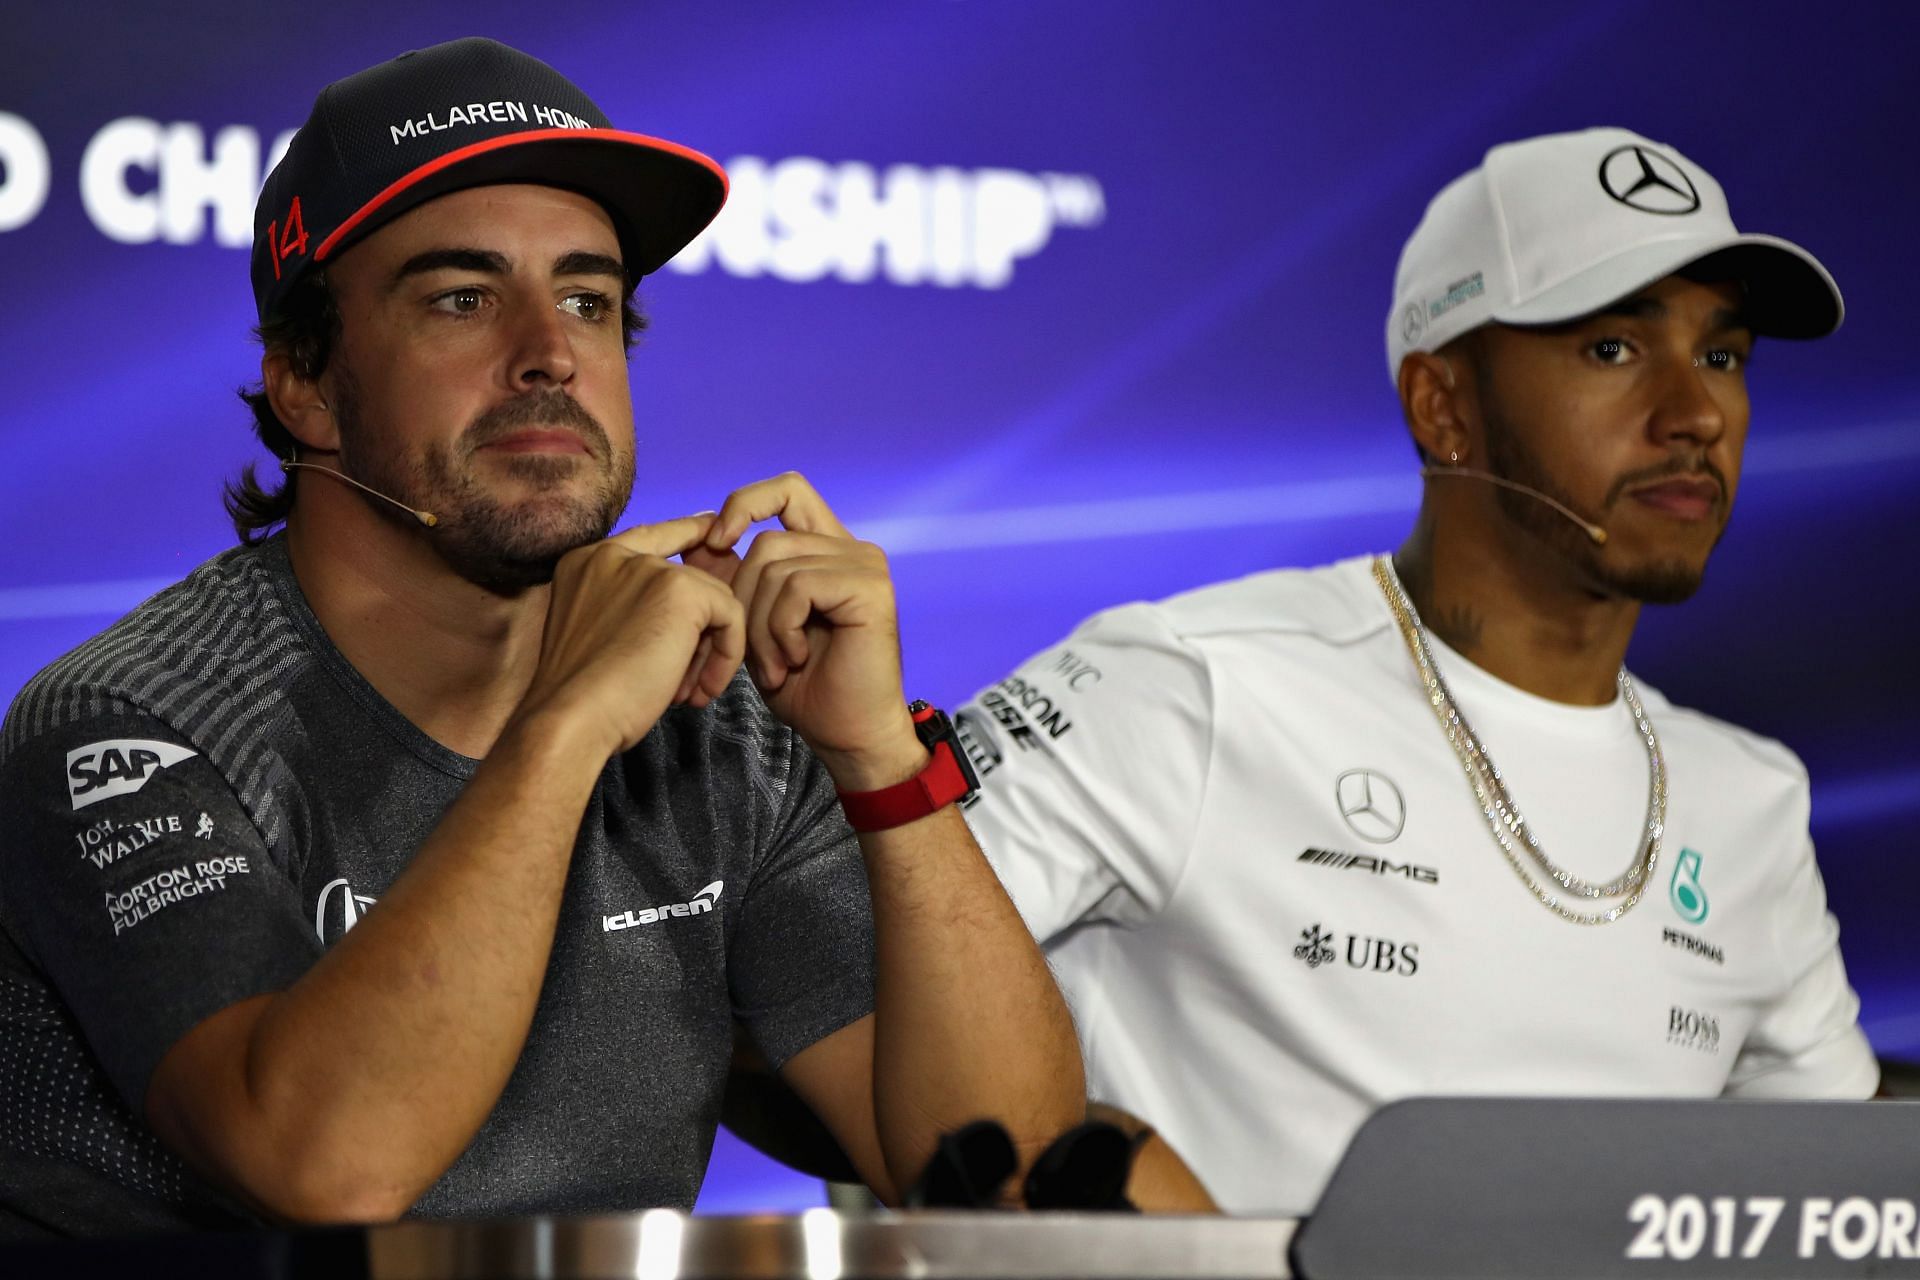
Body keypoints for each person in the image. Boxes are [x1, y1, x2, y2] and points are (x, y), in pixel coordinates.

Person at [0, 37, 1081, 1236]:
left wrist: (881, 761)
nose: (551, 353)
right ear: (303, 378)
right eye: (463, 297)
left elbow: (1014, 1182)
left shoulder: (724, 729)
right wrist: (568, 724)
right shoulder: (126, 722)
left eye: (589, 300)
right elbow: (326, 1167)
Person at [955, 127, 1878, 1216]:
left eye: (1722, 356)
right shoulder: (1194, 684)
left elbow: (1841, 1215)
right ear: (1444, 404)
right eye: (1613, 350)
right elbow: (811, 1008)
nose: (1696, 415)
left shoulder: (1750, 799)